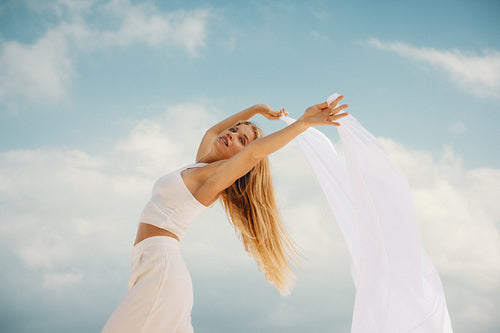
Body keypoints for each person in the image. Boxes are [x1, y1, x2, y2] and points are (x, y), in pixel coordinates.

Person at [101, 96, 349, 333]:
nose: (231, 135)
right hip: (149, 267)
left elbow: (255, 153)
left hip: (161, 270)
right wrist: (255, 110)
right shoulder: (199, 165)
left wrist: (303, 123)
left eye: (241, 140)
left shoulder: (213, 177)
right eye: (234, 130)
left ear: (240, 158)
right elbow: (211, 132)